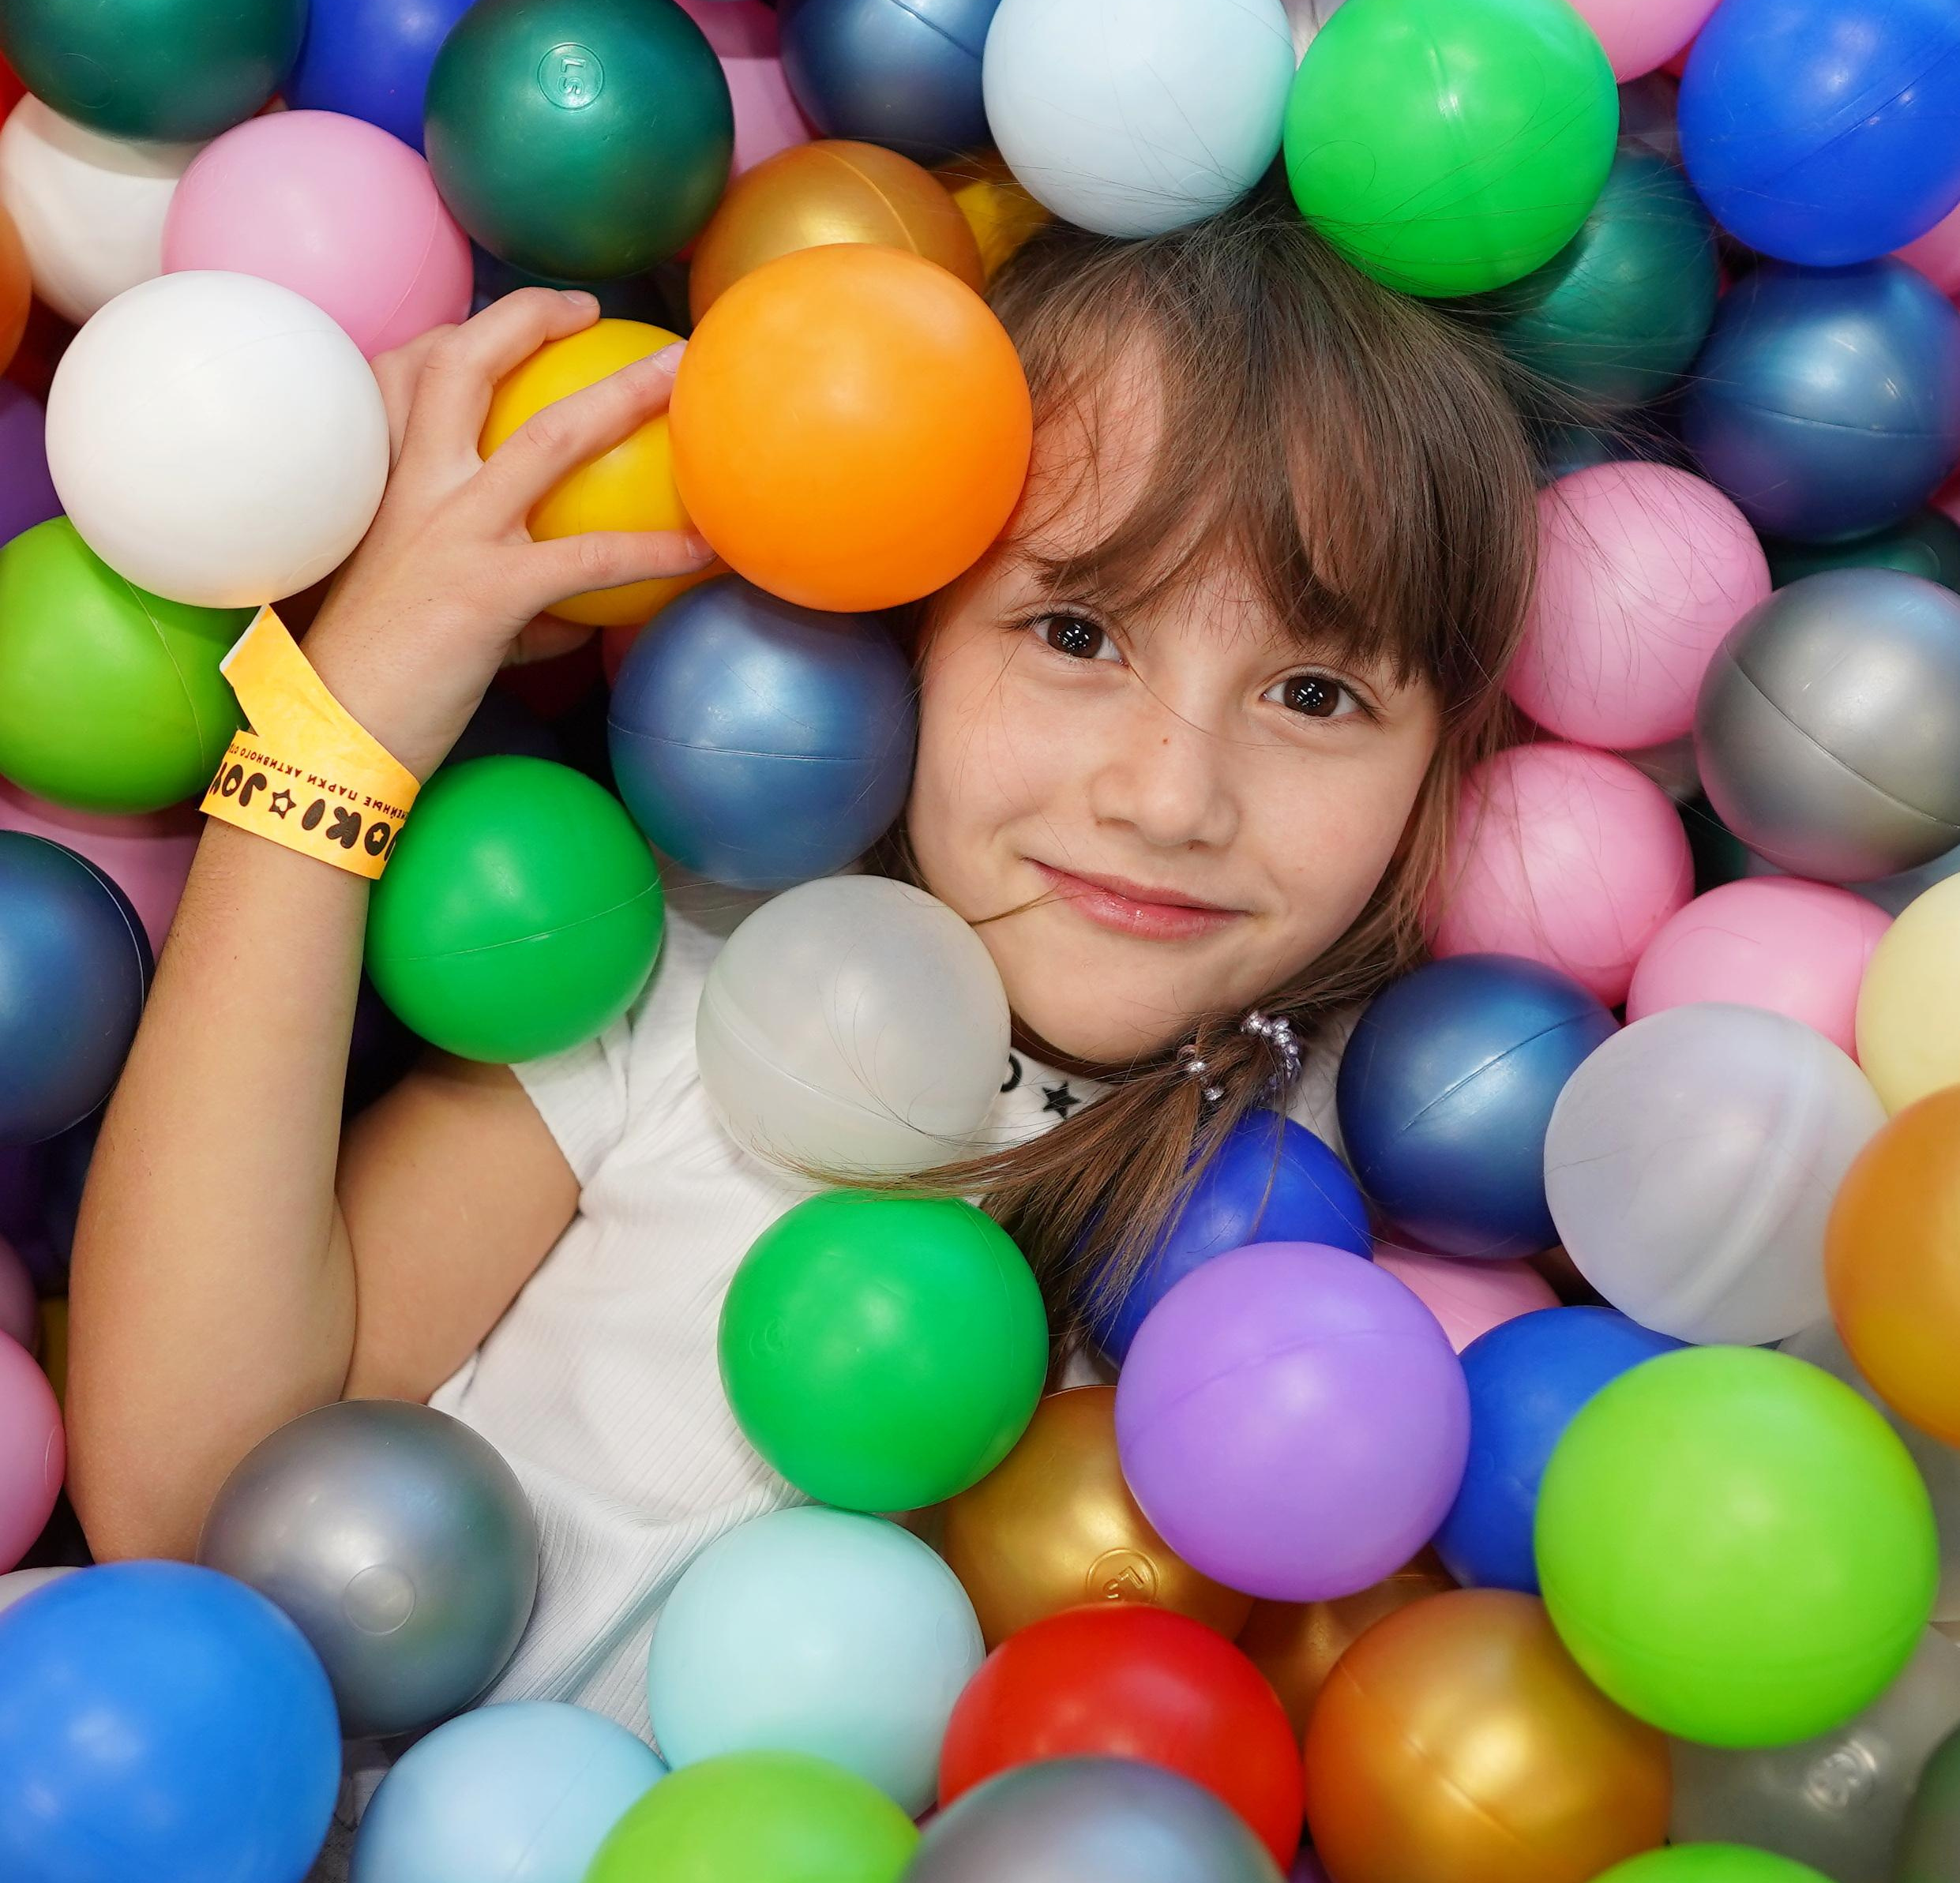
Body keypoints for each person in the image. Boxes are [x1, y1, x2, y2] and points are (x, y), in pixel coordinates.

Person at [67, 182, 1539, 1736]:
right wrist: (338, 730)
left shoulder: (1399, 1204)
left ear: (1445, 756)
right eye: (1076, 633)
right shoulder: (683, 973)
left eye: (1312, 692)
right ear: (907, 619)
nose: (1167, 796)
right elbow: (186, 1498)